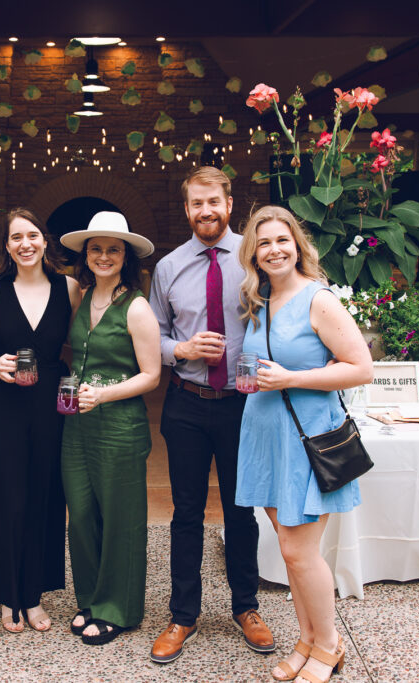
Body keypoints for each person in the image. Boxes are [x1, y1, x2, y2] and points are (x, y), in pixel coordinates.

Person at [234, 205, 372, 683]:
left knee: (298, 552)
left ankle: (329, 645)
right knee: (290, 548)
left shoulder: (320, 300)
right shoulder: (258, 301)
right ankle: (306, 639)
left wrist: (293, 377)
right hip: (265, 437)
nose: (274, 250)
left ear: (298, 246)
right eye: (264, 243)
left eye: (281, 240)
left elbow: (360, 367)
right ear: (253, 254)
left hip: (307, 439)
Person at [147, 166, 275, 664]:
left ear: (228, 203)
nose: (206, 211)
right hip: (187, 404)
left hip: (246, 405)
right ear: (187, 209)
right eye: (196, 204)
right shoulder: (168, 267)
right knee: (186, 513)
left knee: (242, 510)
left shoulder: (255, 258)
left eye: (214, 202)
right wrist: (181, 348)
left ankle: (246, 607)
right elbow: (153, 335)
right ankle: (183, 615)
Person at [0, 208, 81, 632]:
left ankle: (33, 595)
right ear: (7, 245)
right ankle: (8, 596)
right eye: (16, 237)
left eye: (32, 235)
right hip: (3, 402)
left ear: (44, 240)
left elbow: (81, 340)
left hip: (52, 400)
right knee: (6, 496)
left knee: (46, 495)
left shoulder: (68, 288)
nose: (26, 244)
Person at [59, 211, 161, 645]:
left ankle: (118, 609)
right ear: (86, 254)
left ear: (126, 257)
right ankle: (92, 598)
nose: (104, 256)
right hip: (78, 427)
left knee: (121, 519)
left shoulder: (136, 307)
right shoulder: (81, 297)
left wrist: (104, 393)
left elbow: (151, 374)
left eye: (113, 249)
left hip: (119, 426)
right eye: (96, 248)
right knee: (81, 515)